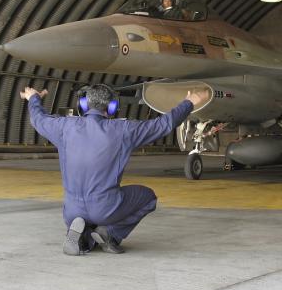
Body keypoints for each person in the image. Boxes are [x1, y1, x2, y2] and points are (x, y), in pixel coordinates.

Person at [20, 83, 204, 256]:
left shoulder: (63, 127)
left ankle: (81, 234)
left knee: (84, 209)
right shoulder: (122, 130)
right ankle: (110, 234)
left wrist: (33, 98)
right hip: (106, 208)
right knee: (148, 197)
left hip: (71, 210)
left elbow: (38, 118)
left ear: (83, 105)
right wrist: (189, 103)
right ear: (112, 107)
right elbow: (163, 124)